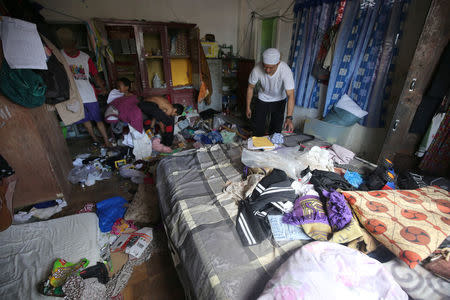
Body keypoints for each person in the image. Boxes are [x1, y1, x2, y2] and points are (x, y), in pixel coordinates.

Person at [57, 27, 112, 147]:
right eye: (66, 45)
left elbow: (95, 75)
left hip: (89, 95)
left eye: (70, 44)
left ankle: (106, 141)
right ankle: (95, 139)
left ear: (75, 43)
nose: (69, 47)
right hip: (74, 96)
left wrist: (102, 87)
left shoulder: (85, 57)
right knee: (85, 120)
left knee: (97, 119)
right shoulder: (59, 55)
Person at [246, 48, 295, 136]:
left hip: (279, 99)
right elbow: (250, 87)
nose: (267, 70)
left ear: (278, 63)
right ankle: (258, 147)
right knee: (257, 128)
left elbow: (291, 95)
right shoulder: (257, 69)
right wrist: (248, 107)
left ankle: (273, 148)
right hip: (262, 98)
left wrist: (289, 117)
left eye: (271, 67)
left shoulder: (285, 70)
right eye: (265, 66)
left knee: (276, 130)